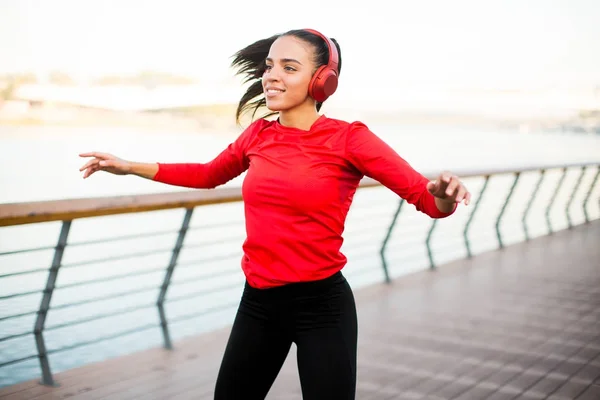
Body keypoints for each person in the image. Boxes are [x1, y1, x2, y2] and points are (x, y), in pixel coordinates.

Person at [79, 28, 471, 400]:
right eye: (269, 66)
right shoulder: (259, 134)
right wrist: (130, 166)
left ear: (323, 80)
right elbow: (207, 175)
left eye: (288, 67)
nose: (271, 76)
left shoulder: (350, 138)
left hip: (322, 307)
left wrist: (443, 196)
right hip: (259, 304)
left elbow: (427, 200)